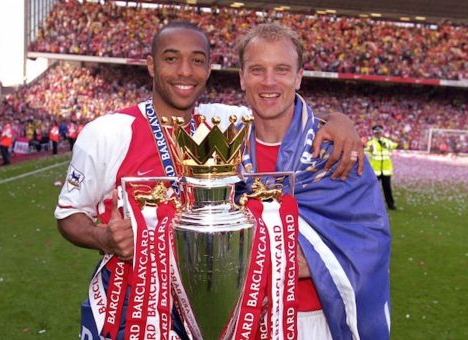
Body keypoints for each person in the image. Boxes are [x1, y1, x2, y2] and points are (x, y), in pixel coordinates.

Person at [55, 21, 364, 339]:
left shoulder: (223, 120)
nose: (185, 72)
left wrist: (341, 121)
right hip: (132, 314)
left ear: (208, 68)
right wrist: (102, 237)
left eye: (197, 60)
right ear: (151, 65)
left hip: (210, 311)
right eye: (171, 58)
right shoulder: (110, 132)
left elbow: (278, 104)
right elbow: (69, 216)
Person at [235, 23, 391, 339]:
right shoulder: (224, 151)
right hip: (241, 321)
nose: (268, 81)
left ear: (298, 76)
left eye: (281, 69)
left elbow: (371, 240)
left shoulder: (337, 155)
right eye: (257, 69)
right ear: (241, 77)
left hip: (315, 323)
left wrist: (309, 258)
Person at [365, 124, 398, 210]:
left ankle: (391, 205)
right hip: (375, 170)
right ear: (374, 133)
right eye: (376, 133)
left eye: (379, 132)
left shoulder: (387, 142)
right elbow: (367, 152)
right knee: (373, 189)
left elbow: (395, 145)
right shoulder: (371, 143)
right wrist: (369, 150)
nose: (378, 134)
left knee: (387, 189)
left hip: (386, 170)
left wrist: (396, 140)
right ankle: (371, 205)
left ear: (382, 132)